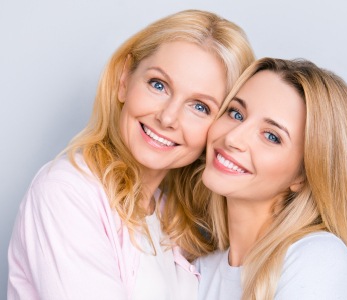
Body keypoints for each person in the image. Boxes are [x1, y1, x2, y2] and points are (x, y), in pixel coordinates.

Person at [8, 9, 255, 300]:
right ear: (125, 79)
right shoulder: (66, 191)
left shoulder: (168, 217)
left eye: (200, 107)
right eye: (158, 85)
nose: (168, 117)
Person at [195, 57, 347, 300]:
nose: (233, 138)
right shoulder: (196, 271)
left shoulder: (318, 259)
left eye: (271, 136)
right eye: (236, 114)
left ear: (304, 174)